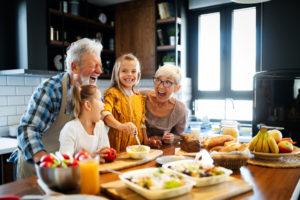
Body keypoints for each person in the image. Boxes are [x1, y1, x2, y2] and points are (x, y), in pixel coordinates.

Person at [9, 38, 103, 179]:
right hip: (37, 171)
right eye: (94, 65)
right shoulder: (51, 89)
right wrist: (46, 163)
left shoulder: (93, 94)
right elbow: (27, 129)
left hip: (68, 170)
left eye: (100, 66)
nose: (100, 71)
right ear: (74, 67)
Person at [102, 53, 147, 152]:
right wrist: (120, 126)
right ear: (117, 73)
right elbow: (105, 114)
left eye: (133, 71)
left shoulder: (139, 97)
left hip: (136, 149)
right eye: (124, 71)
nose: (129, 74)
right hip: (116, 149)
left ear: (138, 74)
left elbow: (142, 124)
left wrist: (147, 142)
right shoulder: (112, 93)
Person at [59, 84, 110, 162]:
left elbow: (105, 154)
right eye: (100, 99)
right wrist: (91, 157)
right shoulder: (70, 129)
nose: (104, 105)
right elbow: (65, 162)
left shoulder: (100, 125)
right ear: (88, 105)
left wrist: (103, 154)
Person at [145, 64, 188, 148]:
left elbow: (181, 136)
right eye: (158, 80)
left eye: (167, 82)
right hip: (138, 149)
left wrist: (173, 137)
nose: (160, 86)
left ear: (177, 88)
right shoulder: (142, 97)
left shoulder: (180, 109)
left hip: (163, 151)